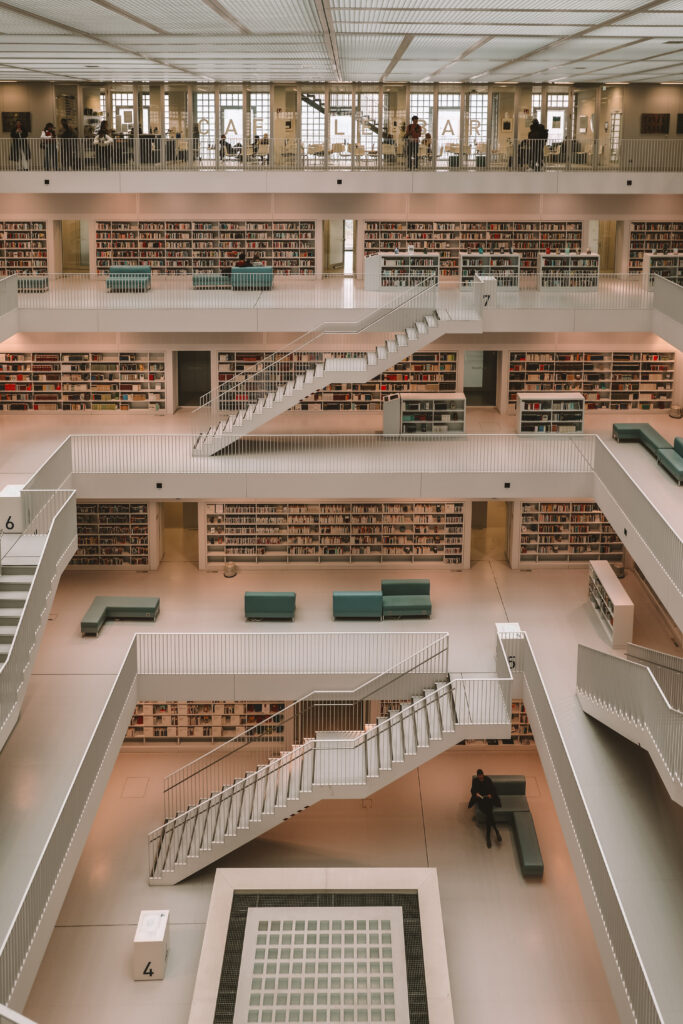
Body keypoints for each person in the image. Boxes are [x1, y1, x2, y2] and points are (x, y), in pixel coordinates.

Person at [468, 769, 502, 848]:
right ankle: (496, 831)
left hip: (488, 799)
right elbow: (472, 790)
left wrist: (491, 795)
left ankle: (488, 837)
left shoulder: (488, 779)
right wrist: (475, 794)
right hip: (481, 800)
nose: (480, 777)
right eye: (478, 776)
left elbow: (493, 789)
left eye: (481, 775)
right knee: (489, 815)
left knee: (488, 816)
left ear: (483, 774)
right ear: (477, 775)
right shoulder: (475, 781)